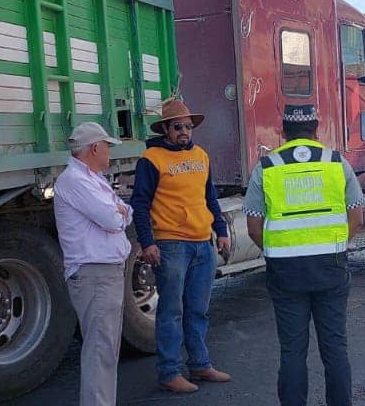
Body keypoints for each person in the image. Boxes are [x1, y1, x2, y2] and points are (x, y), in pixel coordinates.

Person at [244, 104, 364, 406]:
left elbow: (254, 225)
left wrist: (276, 250)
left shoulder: (267, 167)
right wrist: (335, 245)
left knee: (293, 351)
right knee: (335, 349)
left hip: (286, 271)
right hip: (330, 267)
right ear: (317, 128)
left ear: (283, 131)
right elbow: (357, 217)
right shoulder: (337, 163)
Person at [130, 99, 232, 393]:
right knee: (171, 311)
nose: (185, 131)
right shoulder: (151, 159)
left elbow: (209, 197)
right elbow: (140, 204)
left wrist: (221, 230)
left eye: (189, 126)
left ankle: (200, 364)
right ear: (166, 129)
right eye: (178, 127)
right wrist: (147, 242)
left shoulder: (201, 155)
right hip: (171, 243)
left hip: (203, 243)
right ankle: (169, 371)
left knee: (198, 309)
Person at [53, 122, 130, 406]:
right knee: (101, 351)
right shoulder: (76, 181)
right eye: (108, 145)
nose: (110, 151)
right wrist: (119, 214)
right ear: (95, 147)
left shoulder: (90, 178)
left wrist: (120, 213)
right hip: (96, 275)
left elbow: (125, 212)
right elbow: (113, 218)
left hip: (102, 275)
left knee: (105, 350)